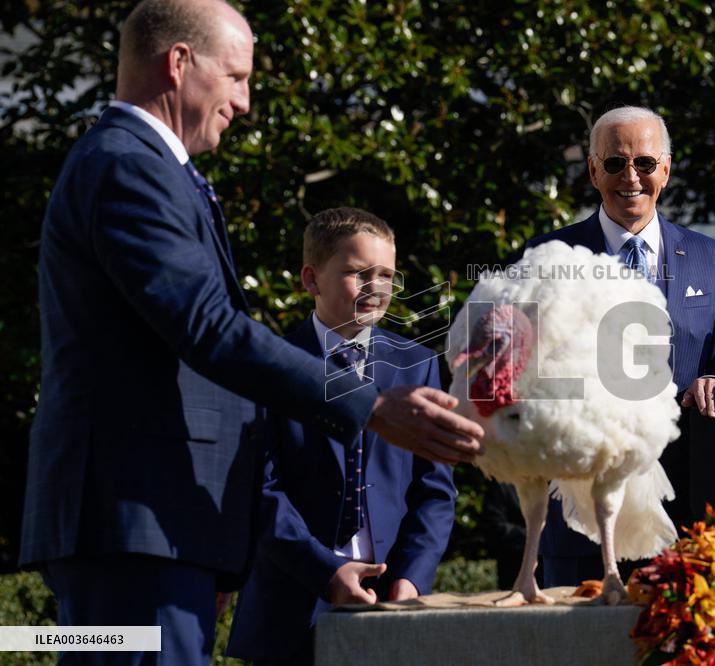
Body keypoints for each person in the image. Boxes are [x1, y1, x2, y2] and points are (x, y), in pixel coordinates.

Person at [19, 1, 481, 663]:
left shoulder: (147, 167)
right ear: (178, 64)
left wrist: (218, 549)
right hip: (138, 525)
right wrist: (370, 405)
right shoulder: (128, 165)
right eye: (235, 77)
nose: (243, 101)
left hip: (163, 530)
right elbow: (208, 327)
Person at [526, 105, 715, 587]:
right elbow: (520, 379)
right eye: (614, 163)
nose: (630, 176)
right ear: (593, 170)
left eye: (645, 163)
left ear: (665, 170)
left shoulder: (708, 259)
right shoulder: (549, 258)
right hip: (579, 523)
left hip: (686, 515)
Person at [226, 208, 457, 664]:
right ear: (312, 279)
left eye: (387, 275)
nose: (376, 288)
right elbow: (263, 491)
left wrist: (410, 578)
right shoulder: (272, 365)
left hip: (391, 601)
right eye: (357, 273)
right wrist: (327, 572)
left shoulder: (417, 363)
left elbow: (435, 490)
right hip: (293, 604)